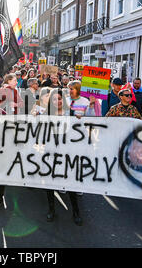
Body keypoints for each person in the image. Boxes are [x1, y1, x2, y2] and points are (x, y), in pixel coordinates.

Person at [42, 88, 83, 226]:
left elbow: (80, 129)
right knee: (50, 183)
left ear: (63, 100)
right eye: (54, 99)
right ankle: (51, 209)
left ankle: (76, 212)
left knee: (69, 182)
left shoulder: (71, 113)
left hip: (67, 153)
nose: (57, 101)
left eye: (59, 99)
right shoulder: (46, 114)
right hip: (50, 152)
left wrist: (80, 119)